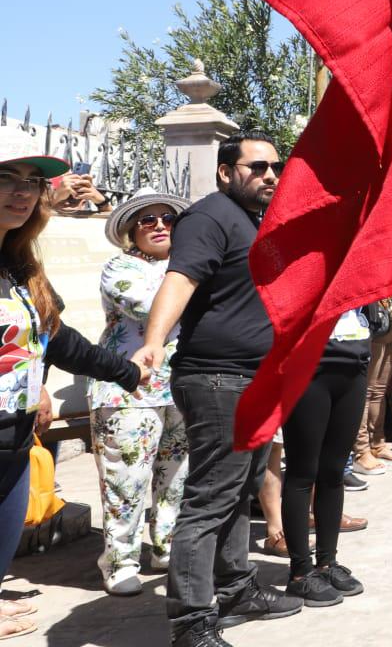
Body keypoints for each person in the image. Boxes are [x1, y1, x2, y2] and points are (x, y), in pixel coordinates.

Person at [134, 129, 303, 647]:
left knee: (236, 493)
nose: (269, 175)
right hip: (217, 378)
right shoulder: (209, 216)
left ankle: (234, 587)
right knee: (209, 500)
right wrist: (153, 341)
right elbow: (180, 278)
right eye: (256, 167)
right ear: (226, 172)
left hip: (251, 379)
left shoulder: (250, 220)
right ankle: (190, 622)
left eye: (275, 167)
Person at [0, 131, 147, 639]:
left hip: (15, 435)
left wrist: (126, 372)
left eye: (32, 182)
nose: (21, 192)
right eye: (6, 178)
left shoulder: (21, 263)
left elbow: (59, 340)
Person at [92, 189, 192, 595]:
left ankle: (166, 546)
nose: (159, 226)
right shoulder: (119, 267)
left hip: (179, 385)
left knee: (176, 476)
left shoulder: (185, 269)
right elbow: (154, 307)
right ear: (132, 230)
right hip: (127, 390)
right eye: (147, 220)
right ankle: (119, 562)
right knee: (126, 480)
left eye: (167, 218)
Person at [279, 304, 371, 606]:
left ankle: (327, 562)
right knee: (302, 472)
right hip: (309, 357)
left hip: (353, 356)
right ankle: (300, 572)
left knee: (333, 472)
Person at [353, 281, 392, 475]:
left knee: (379, 390)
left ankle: (378, 443)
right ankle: (361, 450)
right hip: (377, 320)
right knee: (367, 391)